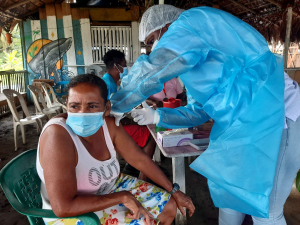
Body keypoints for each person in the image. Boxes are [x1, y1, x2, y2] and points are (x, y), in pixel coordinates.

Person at [109, 4, 300, 225]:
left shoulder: (194, 22)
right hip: (242, 128)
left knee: (265, 208)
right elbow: (199, 110)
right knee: (230, 199)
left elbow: (157, 66)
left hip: (278, 116)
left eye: (153, 40)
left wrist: (119, 102)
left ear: (168, 25)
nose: (154, 49)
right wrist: (158, 117)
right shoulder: (194, 68)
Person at [37, 74, 195, 225]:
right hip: (75, 208)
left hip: (110, 187)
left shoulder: (108, 124)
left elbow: (139, 159)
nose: (82, 114)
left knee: (168, 207)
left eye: (92, 106)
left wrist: (174, 190)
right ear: (67, 106)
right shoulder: (57, 136)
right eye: (74, 106)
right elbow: (63, 207)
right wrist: (123, 198)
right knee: (143, 222)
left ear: (107, 108)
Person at [102, 50, 156, 181]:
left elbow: (123, 101)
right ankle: (143, 177)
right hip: (109, 129)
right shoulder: (109, 85)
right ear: (116, 66)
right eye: (124, 65)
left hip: (108, 126)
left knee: (143, 126)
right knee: (152, 135)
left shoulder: (108, 81)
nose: (126, 69)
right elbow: (109, 115)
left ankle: (133, 165)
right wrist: (129, 121)